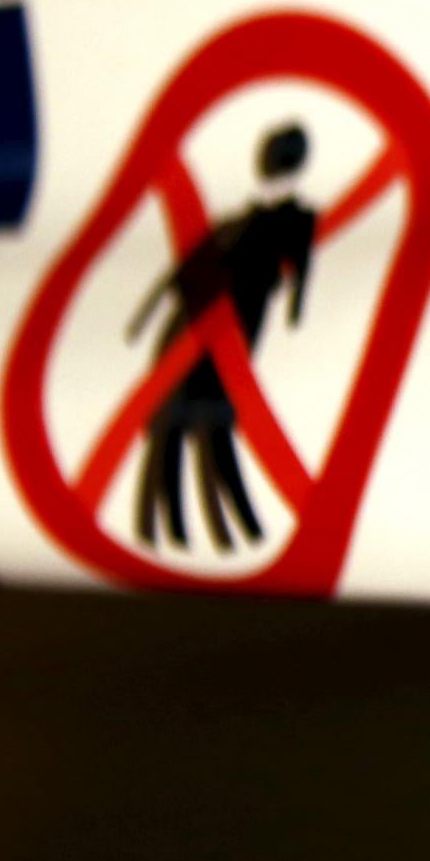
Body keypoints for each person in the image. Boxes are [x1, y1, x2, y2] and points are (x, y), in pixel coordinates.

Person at [125, 124, 317, 552]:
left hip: (230, 333)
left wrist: (296, 311)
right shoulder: (234, 220)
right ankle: (164, 530)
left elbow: (300, 270)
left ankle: (232, 534)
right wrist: (143, 319)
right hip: (188, 328)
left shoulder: (294, 220)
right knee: (170, 425)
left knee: (210, 423)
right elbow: (183, 272)